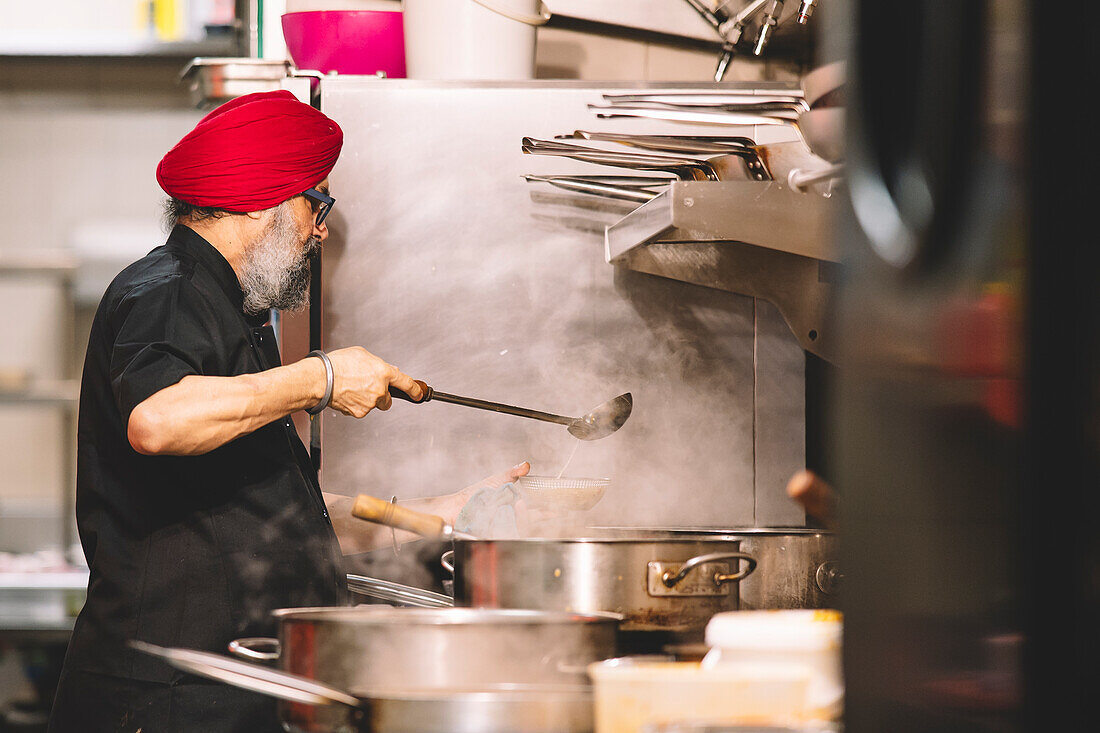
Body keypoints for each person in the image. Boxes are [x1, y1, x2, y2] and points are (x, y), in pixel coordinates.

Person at [47, 90, 528, 733]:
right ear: (258, 202)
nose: (321, 227)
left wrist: (434, 515)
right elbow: (157, 420)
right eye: (315, 202)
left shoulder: (234, 312)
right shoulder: (168, 291)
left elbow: (259, 518)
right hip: (168, 701)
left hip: (225, 690)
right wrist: (321, 378)